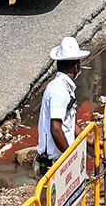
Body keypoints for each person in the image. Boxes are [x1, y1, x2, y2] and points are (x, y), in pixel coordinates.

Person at [38, 38, 86, 176]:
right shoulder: (59, 89)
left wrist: (91, 141)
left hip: (59, 161)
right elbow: (56, 129)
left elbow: (69, 123)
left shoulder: (65, 87)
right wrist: (70, 158)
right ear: (76, 65)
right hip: (55, 163)